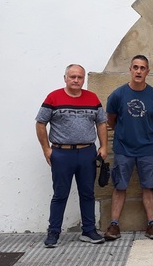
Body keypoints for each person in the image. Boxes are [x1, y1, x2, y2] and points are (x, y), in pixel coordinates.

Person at [35, 64, 108, 248]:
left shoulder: (92, 98)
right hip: (61, 153)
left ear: (83, 79)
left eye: (80, 77)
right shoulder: (53, 97)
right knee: (60, 194)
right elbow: (40, 123)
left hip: (86, 152)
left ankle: (89, 230)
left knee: (87, 193)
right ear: (65, 78)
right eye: (73, 77)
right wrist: (46, 149)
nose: (76, 80)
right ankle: (53, 233)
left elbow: (101, 123)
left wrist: (104, 146)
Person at [103, 55, 153, 241]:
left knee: (148, 186)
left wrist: (144, 133)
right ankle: (114, 224)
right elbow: (111, 119)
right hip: (123, 149)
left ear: (147, 71)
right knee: (119, 186)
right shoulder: (118, 95)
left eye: (142, 68)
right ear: (130, 70)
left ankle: (151, 224)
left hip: (146, 149)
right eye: (135, 67)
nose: (139, 71)